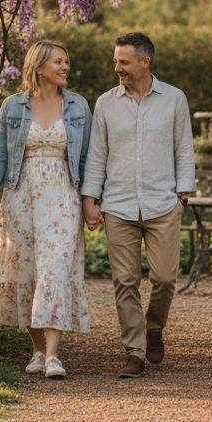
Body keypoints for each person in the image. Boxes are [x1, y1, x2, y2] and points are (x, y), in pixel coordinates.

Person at [0, 40, 92, 379]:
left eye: (66, 61)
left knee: (55, 269)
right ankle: (38, 351)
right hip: (21, 195)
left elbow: (88, 158)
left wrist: (90, 201)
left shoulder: (79, 106)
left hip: (63, 195)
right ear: (39, 67)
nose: (65, 67)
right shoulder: (13, 107)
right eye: (58, 62)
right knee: (27, 271)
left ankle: (54, 356)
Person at [81, 31, 196, 378]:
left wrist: (182, 197)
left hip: (163, 204)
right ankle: (135, 351)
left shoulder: (174, 99)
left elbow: (184, 149)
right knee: (125, 281)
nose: (117, 67)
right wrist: (91, 200)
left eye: (123, 61)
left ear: (145, 63)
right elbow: (97, 154)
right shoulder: (106, 103)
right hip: (119, 206)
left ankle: (155, 327)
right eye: (116, 60)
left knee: (164, 278)